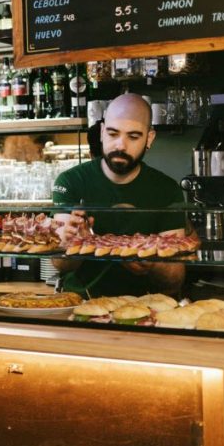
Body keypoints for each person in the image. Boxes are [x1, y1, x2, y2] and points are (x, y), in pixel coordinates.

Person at [52, 93, 187, 297]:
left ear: (149, 138)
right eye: (113, 134)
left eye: (133, 136)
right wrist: (76, 243)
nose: (120, 145)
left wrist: (153, 263)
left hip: (145, 308)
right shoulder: (71, 181)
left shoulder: (167, 189)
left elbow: (175, 278)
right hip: (82, 304)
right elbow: (61, 265)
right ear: (101, 132)